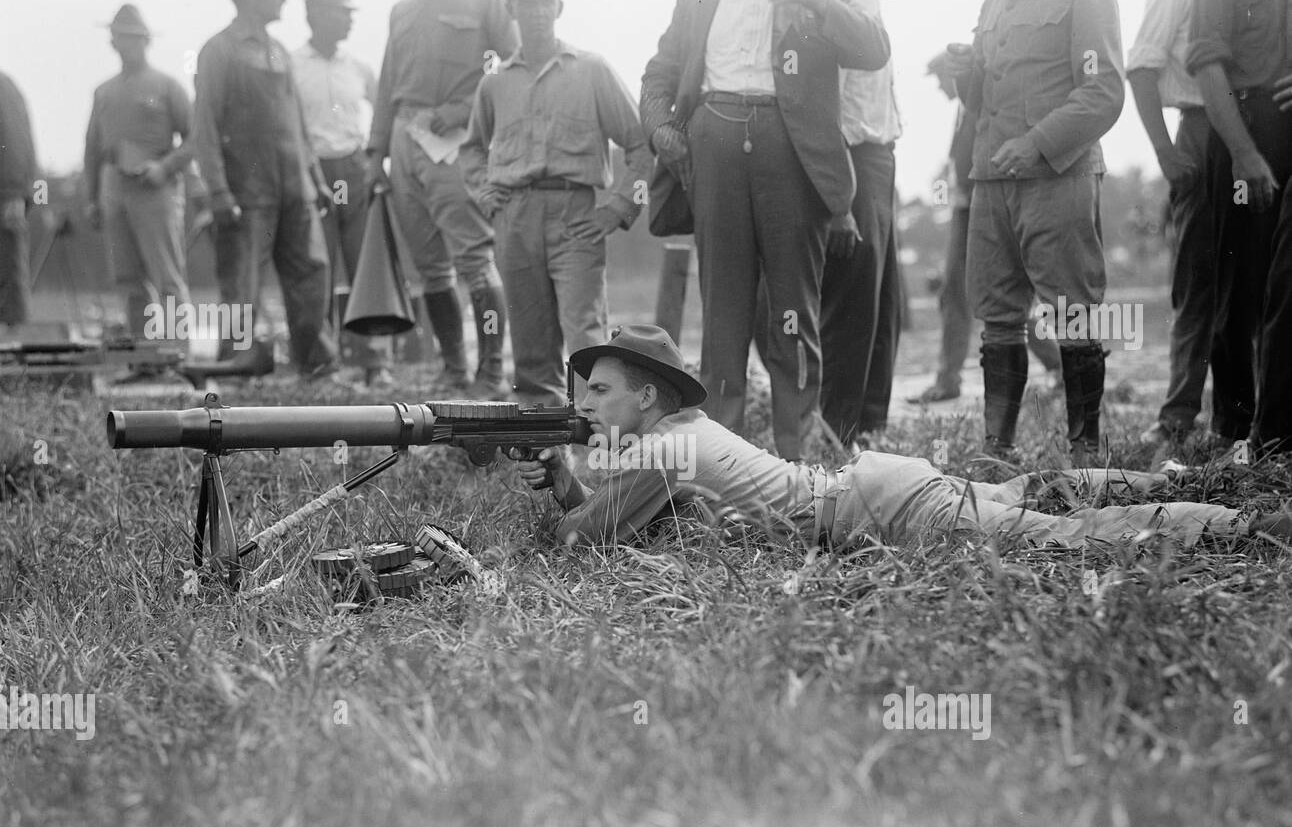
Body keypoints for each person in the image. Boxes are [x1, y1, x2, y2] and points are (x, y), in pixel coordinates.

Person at [513, 325, 1290, 549]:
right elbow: (604, 511)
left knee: (1063, 536)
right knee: (1034, 493)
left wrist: (560, 477)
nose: (587, 401)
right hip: (877, 487)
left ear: (647, 397)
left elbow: (586, 537)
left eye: (602, 389)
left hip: (882, 511)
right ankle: (1187, 480)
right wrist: (569, 477)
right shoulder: (676, 430)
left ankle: (1245, 525)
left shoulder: (659, 448)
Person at [640, 0, 891, 462]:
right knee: (723, 318)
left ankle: (801, 471)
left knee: (795, 315)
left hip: (794, 152)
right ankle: (718, 464)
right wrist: (659, 129)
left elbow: (873, 49)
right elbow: (659, 73)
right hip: (713, 141)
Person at [943, 0, 1125, 464]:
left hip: (1056, 174)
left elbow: (1103, 91)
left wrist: (1038, 143)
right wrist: (965, 76)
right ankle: (997, 449)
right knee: (998, 315)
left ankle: (1085, 452)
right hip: (991, 175)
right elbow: (981, 100)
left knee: (1073, 312)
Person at [461, 0, 653, 407]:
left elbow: (640, 145)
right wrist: (485, 193)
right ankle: (545, 449)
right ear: (511, 9)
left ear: (560, 6)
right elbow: (471, 149)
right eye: (526, 3)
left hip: (576, 214)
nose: (536, 11)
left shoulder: (592, 70)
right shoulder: (494, 82)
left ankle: (597, 443)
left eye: (545, 1)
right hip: (514, 217)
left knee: (584, 331)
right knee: (530, 339)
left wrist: (618, 207)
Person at [368, 0, 516, 398]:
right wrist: (375, 151)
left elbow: (514, 65)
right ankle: (453, 368)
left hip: (456, 140)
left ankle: (492, 371)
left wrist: (464, 112)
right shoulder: (402, 10)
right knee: (429, 266)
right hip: (404, 136)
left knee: (474, 257)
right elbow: (387, 84)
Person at [194, 0, 341, 380]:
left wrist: (317, 178)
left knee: (312, 275)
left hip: (296, 189)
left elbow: (298, 125)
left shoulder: (280, 51)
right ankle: (235, 369)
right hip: (246, 194)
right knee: (242, 286)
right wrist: (218, 191)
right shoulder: (218, 51)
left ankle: (318, 365)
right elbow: (203, 126)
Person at [913, 57, 1061, 405]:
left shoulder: (983, 104)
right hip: (965, 207)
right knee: (960, 294)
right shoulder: (965, 110)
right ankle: (949, 378)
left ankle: (1058, 365)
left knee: (1003, 296)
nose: (938, 86)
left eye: (941, 78)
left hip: (984, 205)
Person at [1192, 0, 1292, 457]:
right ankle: (1234, 429)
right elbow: (1209, 66)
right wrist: (1244, 153)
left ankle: (1277, 428)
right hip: (1248, 125)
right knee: (1239, 287)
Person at [1128, 0, 1219, 459]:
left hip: (1268, 128)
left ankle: (1253, 416)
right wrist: (1165, 151)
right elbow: (1141, 67)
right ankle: (1179, 415)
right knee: (1197, 281)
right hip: (1202, 129)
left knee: (1266, 283)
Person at [83, 5, 194, 379]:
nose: (123, 44)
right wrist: (91, 198)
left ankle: (177, 359)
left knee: (167, 277)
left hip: (155, 186)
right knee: (128, 279)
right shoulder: (103, 91)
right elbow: (93, 149)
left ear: (145, 41)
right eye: (118, 36)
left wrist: (164, 168)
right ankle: (145, 361)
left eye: (131, 37)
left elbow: (196, 138)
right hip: (113, 184)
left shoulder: (166, 85)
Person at [814, 0, 903, 451]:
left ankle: (870, 424)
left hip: (882, 157)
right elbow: (830, 106)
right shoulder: (843, 7)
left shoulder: (869, 4)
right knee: (853, 302)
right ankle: (839, 430)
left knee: (886, 302)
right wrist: (839, 200)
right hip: (854, 160)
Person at [292, 0, 392, 389]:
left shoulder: (358, 67)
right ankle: (322, 364)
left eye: (351, 12)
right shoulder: (293, 66)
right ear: (315, 14)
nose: (349, 19)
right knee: (319, 269)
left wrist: (374, 159)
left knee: (365, 268)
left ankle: (376, 361)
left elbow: (382, 108)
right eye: (340, 11)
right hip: (314, 171)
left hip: (354, 170)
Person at [0, 65, 36, 327]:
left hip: (0, 202)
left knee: (8, 278)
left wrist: (14, 195)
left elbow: (17, 140)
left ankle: (16, 350)